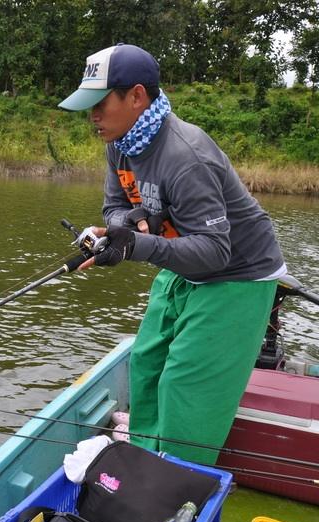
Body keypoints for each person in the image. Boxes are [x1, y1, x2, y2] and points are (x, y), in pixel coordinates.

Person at [58, 44, 286, 464]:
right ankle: (144, 462)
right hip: (181, 261)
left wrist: (136, 244)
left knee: (184, 384)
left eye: (99, 103)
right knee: (145, 364)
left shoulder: (186, 157)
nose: (91, 116)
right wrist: (122, 231)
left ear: (137, 96)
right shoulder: (118, 141)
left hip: (237, 273)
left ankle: (181, 480)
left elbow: (216, 251)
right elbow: (114, 207)